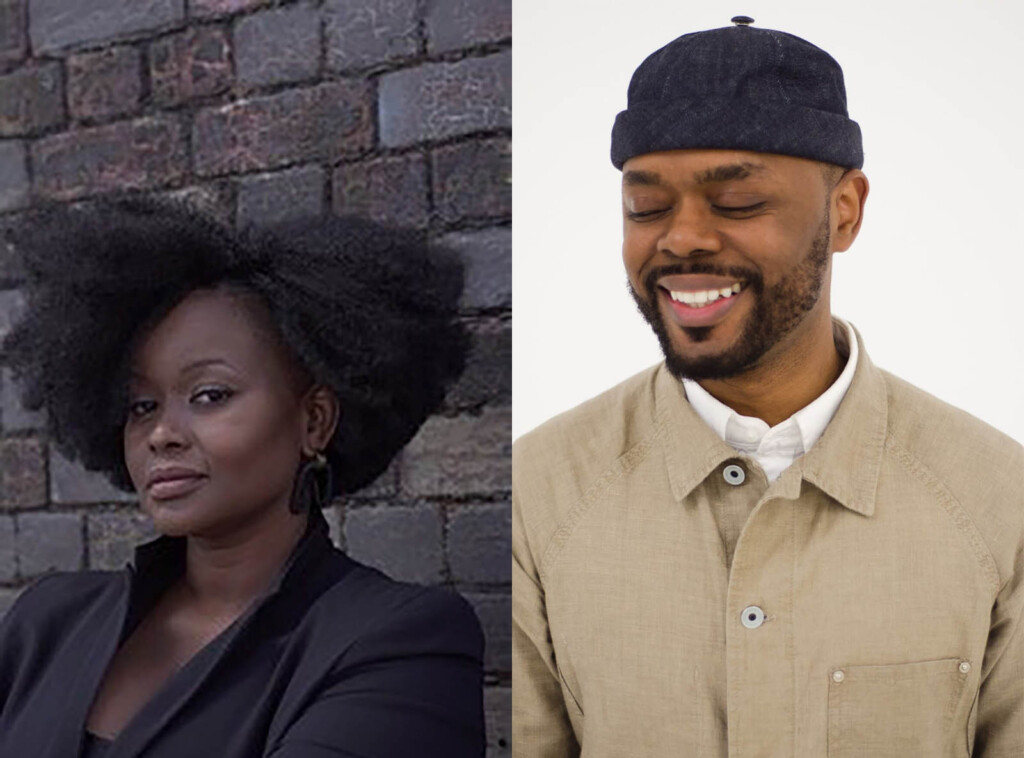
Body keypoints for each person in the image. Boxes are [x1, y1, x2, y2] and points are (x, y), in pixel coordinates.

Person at [512, 17, 1023, 757]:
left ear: (844, 211)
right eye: (646, 207)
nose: (681, 238)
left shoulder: (995, 499)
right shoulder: (540, 495)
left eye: (738, 203)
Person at [0, 198, 485, 757]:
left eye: (209, 395)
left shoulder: (398, 644)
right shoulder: (48, 623)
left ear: (314, 420)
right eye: (141, 406)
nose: (162, 433)